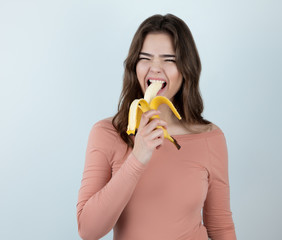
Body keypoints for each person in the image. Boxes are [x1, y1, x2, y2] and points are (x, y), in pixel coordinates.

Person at [76, 14, 237, 240]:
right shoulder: (107, 133)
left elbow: (221, 227)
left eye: (169, 59)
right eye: (146, 58)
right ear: (134, 66)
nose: (156, 68)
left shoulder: (211, 137)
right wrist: (137, 158)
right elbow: (88, 230)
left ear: (186, 69)